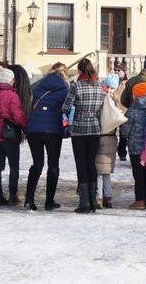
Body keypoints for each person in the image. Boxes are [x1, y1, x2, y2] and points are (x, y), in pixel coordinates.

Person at [61, 58, 106, 214]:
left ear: (80, 71)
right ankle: (93, 200)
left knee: (81, 164)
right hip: (95, 128)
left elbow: (65, 107)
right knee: (91, 163)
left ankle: (84, 202)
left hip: (79, 130)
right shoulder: (100, 87)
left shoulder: (76, 86)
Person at [24, 62, 70, 210]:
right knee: (53, 166)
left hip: (33, 129)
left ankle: (29, 199)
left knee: (37, 164)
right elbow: (66, 108)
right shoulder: (64, 88)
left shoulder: (39, 85)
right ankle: (49, 201)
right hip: (52, 130)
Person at [0, 65, 28, 206]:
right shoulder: (12, 95)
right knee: (14, 166)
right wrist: (26, 127)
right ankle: (13, 195)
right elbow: (18, 116)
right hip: (9, 136)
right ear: (10, 80)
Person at [123, 83, 146, 209]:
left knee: (138, 174)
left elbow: (125, 131)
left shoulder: (132, 111)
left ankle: (140, 199)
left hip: (135, 148)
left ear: (136, 94)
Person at [96, 74, 121, 209]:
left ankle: (99, 198)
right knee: (106, 171)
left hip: (102, 137)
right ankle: (108, 198)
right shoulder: (115, 102)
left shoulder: (103, 100)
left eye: (112, 88)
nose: (110, 90)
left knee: (100, 172)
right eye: (109, 87)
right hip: (112, 139)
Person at [113, 62, 130, 161]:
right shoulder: (111, 81)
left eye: (119, 70)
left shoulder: (127, 83)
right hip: (113, 111)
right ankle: (111, 152)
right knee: (111, 133)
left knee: (123, 134)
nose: (116, 72)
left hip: (123, 111)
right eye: (115, 69)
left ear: (124, 71)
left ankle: (122, 153)